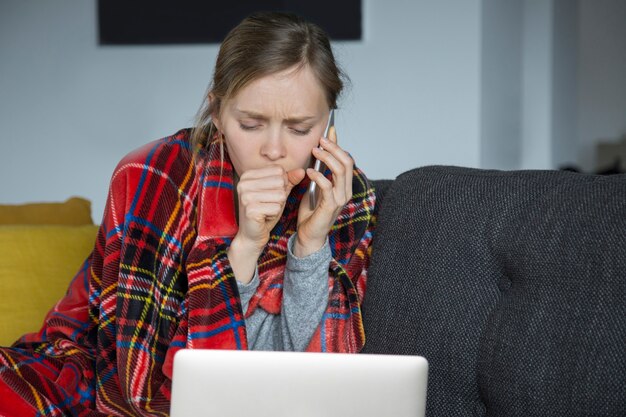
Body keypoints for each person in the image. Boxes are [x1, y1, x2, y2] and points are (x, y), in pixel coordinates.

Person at [0, 11, 376, 416]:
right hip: (88, 375)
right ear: (217, 112)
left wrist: (309, 245)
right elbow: (144, 388)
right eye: (250, 124)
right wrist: (246, 246)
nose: (273, 150)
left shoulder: (342, 197)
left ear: (329, 123)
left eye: (300, 129)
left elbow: (306, 379)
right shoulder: (150, 177)